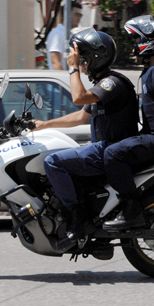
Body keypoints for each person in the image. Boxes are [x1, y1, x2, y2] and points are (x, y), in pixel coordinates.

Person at [33, 28, 139, 248]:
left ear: (96, 58)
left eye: (83, 60)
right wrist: (44, 125)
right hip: (105, 148)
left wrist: (72, 69)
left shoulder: (112, 83)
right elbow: (82, 116)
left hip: (111, 149)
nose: (80, 64)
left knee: (53, 162)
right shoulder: (103, 85)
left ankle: (77, 219)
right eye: (79, 61)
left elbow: (78, 98)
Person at [102, 16, 154, 230]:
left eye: (135, 41)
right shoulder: (152, 71)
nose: (132, 48)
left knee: (113, 154)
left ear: (149, 42)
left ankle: (130, 210)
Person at [45, 1, 83, 70]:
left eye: (80, 15)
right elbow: (55, 62)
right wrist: (65, 80)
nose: (79, 18)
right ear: (66, 15)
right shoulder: (57, 34)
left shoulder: (69, 35)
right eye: (76, 14)